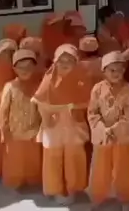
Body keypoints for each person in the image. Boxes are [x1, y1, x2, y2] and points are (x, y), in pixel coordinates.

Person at [32, 44, 91, 205]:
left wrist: (73, 107)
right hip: (54, 125)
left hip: (73, 124)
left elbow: (88, 101)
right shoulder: (49, 79)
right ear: (55, 62)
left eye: (69, 60)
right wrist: (46, 119)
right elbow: (40, 102)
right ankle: (55, 189)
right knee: (53, 157)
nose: (65, 64)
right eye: (61, 60)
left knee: (74, 156)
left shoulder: (81, 79)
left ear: (76, 62)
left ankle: (73, 188)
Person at [88, 51, 129, 206]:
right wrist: (102, 129)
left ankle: (124, 198)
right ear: (104, 71)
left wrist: (115, 129)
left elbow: (128, 114)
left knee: (122, 168)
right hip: (102, 136)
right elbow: (92, 112)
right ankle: (98, 198)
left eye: (120, 70)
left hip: (121, 135)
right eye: (112, 70)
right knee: (100, 168)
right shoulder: (97, 89)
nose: (116, 73)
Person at [0, 49, 43, 190]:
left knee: (33, 158)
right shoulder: (10, 87)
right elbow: (3, 111)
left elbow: (43, 109)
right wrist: (4, 130)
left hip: (34, 131)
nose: (25, 70)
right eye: (21, 67)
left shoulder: (38, 86)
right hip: (14, 132)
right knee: (15, 159)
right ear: (14, 69)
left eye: (28, 67)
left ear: (34, 67)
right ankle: (15, 182)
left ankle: (33, 180)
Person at [0, 38, 18, 179]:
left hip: (14, 112)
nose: (8, 57)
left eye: (11, 53)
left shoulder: (18, 72)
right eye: (4, 53)